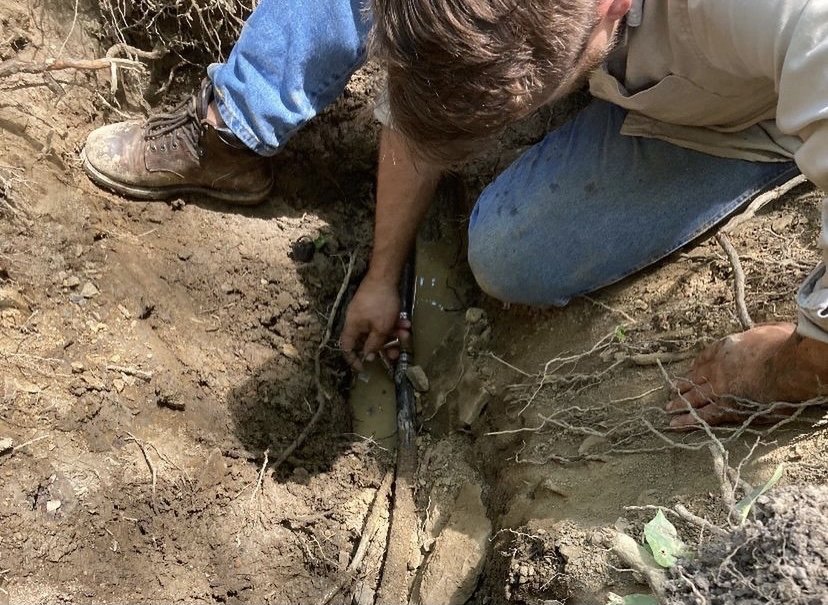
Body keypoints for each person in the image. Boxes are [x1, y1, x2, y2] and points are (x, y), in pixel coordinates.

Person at [82, 0, 828, 429]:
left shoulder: (795, 20)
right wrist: (382, 274)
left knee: (510, 256)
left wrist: (784, 365)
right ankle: (235, 127)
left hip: (731, 97)